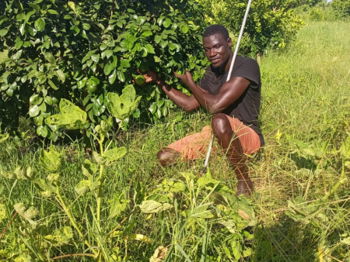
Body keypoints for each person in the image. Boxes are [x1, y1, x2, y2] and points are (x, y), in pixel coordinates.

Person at [144, 24, 264, 195]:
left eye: (217, 47)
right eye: (207, 49)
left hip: (247, 135)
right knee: (165, 157)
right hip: (217, 133)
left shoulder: (246, 65)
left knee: (219, 119)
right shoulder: (211, 72)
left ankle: (244, 181)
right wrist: (159, 82)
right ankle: (196, 179)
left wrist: (190, 83)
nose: (211, 54)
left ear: (229, 42)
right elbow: (189, 104)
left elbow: (215, 106)